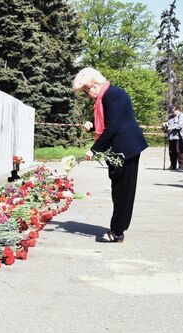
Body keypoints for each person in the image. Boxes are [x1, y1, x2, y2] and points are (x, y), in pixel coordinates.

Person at [73, 67, 148, 243]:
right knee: (118, 191)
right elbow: (108, 122)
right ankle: (116, 227)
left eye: (86, 91)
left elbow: (113, 127)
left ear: (95, 84)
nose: (87, 95)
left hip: (126, 149)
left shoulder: (113, 95)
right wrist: (92, 125)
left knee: (124, 192)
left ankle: (117, 232)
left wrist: (93, 149)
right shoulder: (105, 97)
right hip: (117, 150)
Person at [163, 106, 183, 170]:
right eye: (171, 112)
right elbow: (167, 124)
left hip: (179, 137)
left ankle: (181, 166)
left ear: (177, 110)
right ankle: (173, 165)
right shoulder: (171, 117)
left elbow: (179, 125)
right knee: (171, 152)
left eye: (173, 111)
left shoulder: (182, 116)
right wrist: (165, 125)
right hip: (171, 137)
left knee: (179, 151)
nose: (172, 113)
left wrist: (170, 127)